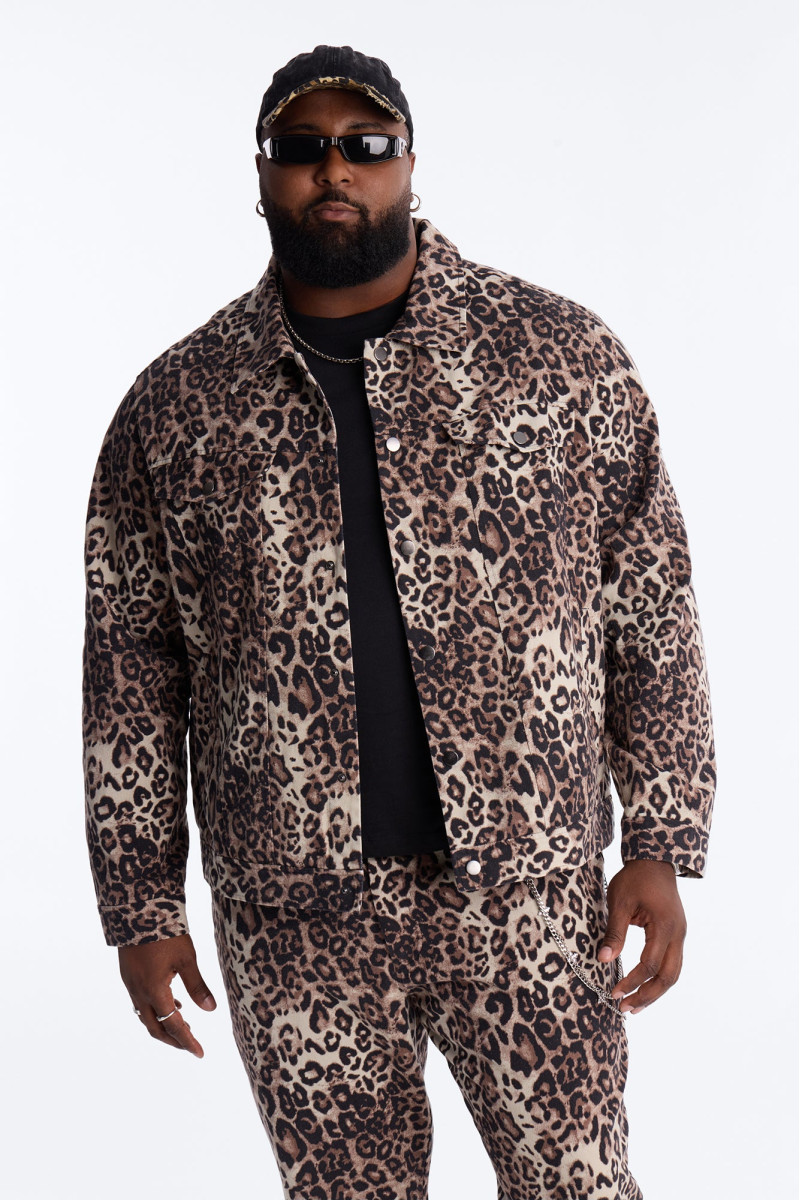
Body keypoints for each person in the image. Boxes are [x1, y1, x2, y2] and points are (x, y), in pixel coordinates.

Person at [82, 44, 717, 1200]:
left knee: (580, 1187)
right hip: (295, 912)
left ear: (409, 161)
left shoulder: (555, 358)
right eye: (302, 148)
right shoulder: (176, 407)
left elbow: (650, 601)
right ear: (261, 171)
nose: (335, 171)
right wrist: (139, 905)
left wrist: (662, 839)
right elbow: (129, 673)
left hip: (526, 888)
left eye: (365, 146)